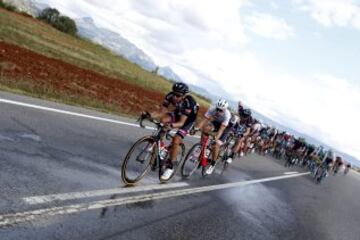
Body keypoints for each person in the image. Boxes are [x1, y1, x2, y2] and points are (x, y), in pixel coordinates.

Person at [148, 82, 199, 181]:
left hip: (187, 121)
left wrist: (171, 126)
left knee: (176, 139)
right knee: (163, 120)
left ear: (184, 95)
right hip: (178, 113)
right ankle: (161, 146)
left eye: (178, 95)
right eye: (174, 93)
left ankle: (171, 166)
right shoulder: (170, 95)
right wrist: (149, 115)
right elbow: (161, 112)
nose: (175, 97)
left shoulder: (189, 102)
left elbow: (181, 123)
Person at [195, 98, 231, 175]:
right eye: (217, 109)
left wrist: (216, 139)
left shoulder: (227, 115)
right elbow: (204, 120)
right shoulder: (212, 109)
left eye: (221, 110)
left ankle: (213, 164)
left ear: (224, 110)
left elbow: (221, 130)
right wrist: (196, 128)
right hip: (216, 122)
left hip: (225, 128)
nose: (218, 112)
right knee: (205, 128)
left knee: (216, 145)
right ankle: (201, 146)